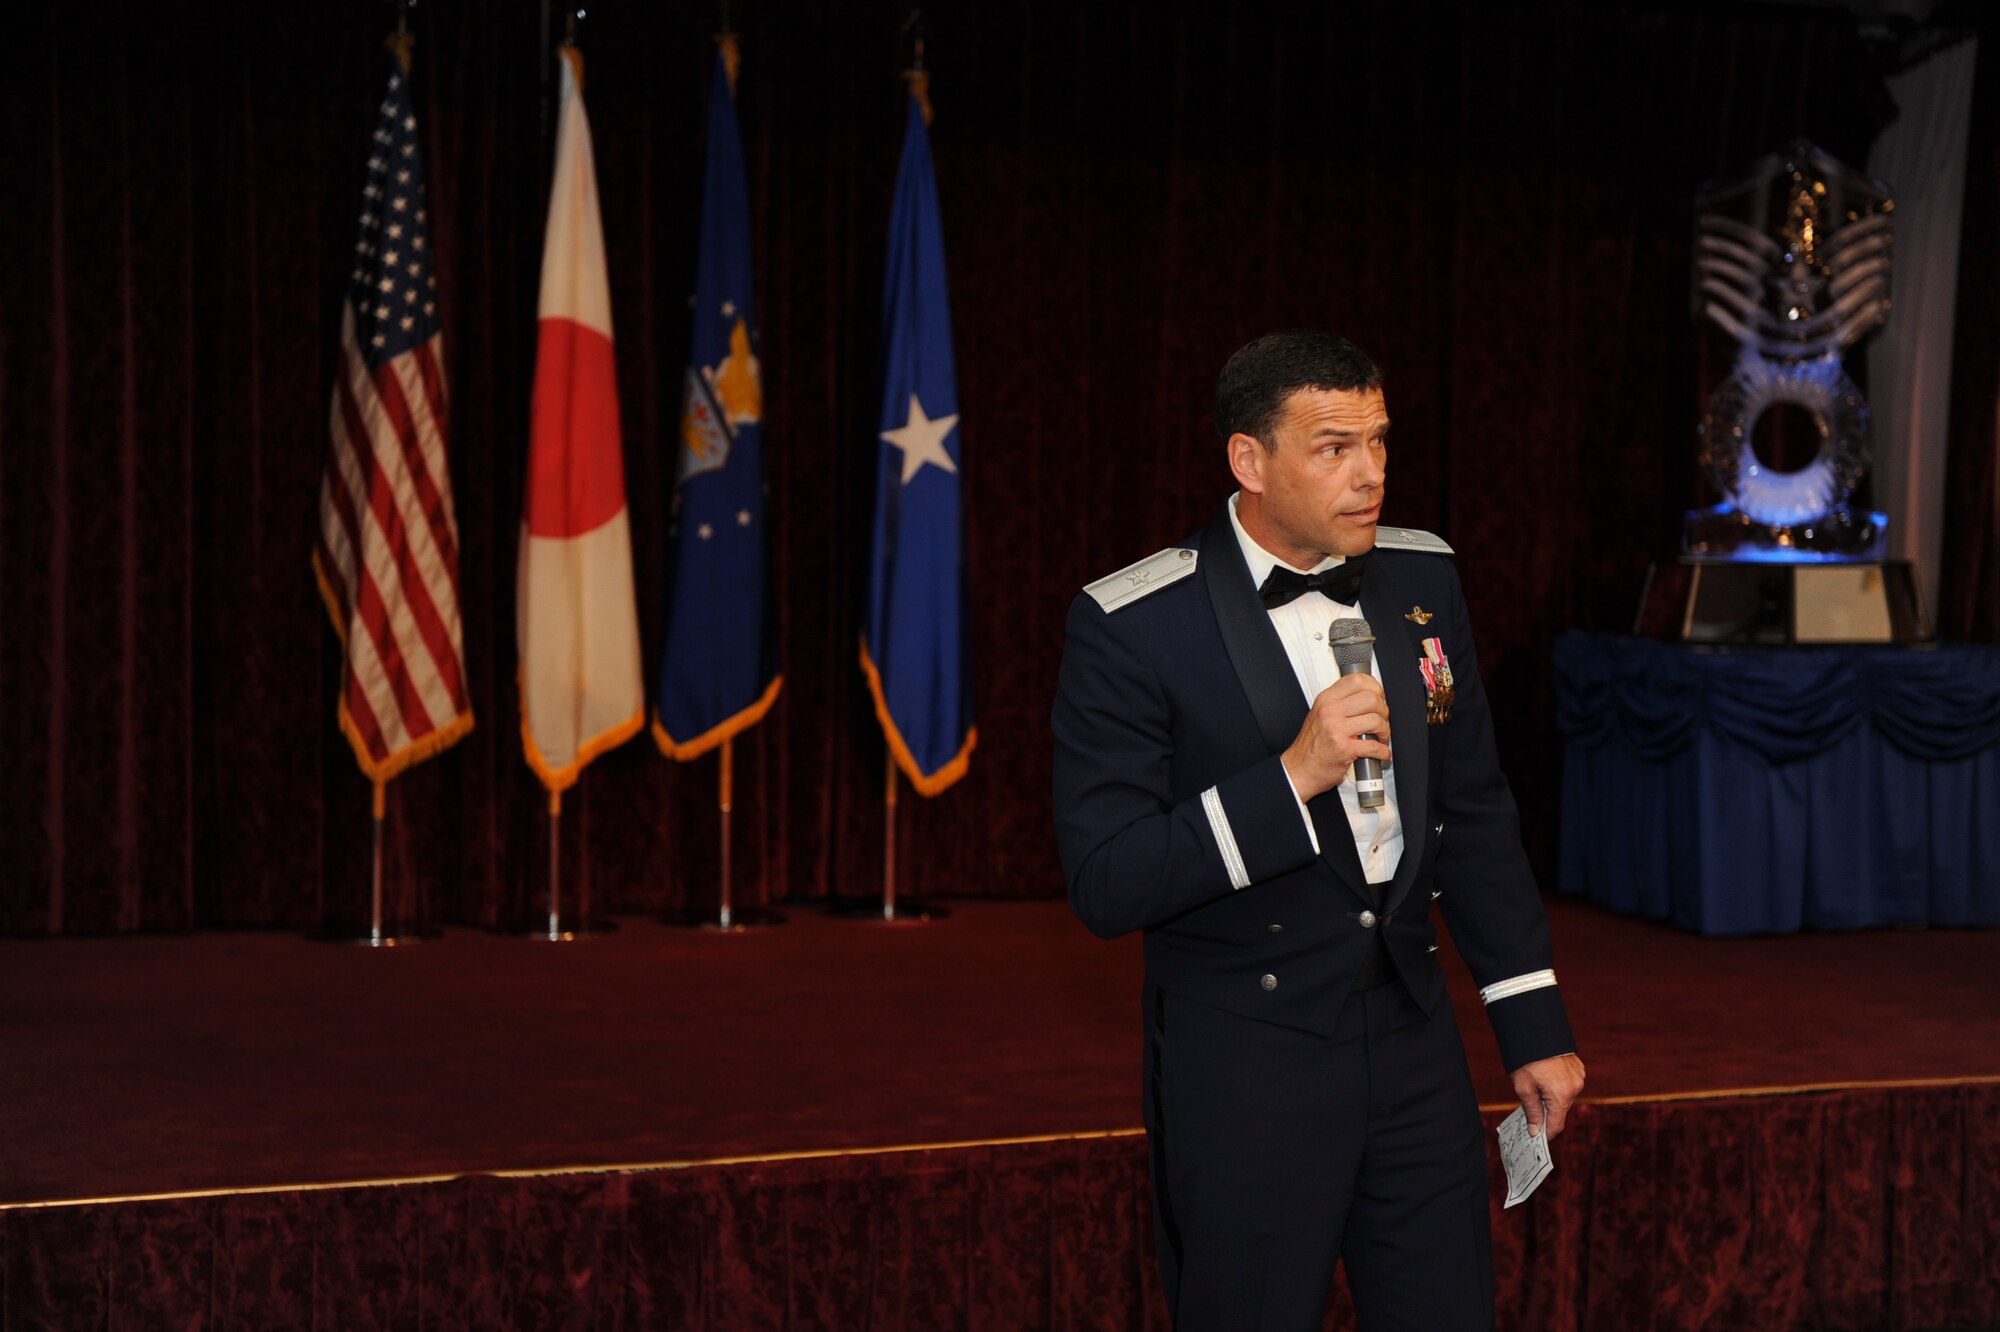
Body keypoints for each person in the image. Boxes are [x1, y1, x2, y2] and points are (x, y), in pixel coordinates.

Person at [1051, 331, 1585, 1331]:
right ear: (1248, 462)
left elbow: (1469, 809)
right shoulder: (1134, 624)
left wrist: (1528, 1020)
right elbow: (1106, 881)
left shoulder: (1423, 581)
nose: (1369, 475)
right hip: (1245, 1058)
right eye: (1332, 447)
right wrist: (1290, 778)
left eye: (1378, 443)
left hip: (1415, 1039)